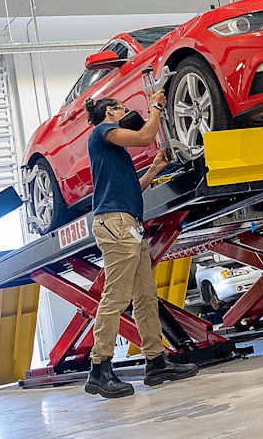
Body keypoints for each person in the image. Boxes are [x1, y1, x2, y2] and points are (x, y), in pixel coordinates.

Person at [83, 94, 198, 398]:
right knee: (116, 296)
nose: (127, 113)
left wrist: (155, 169)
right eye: (123, 109)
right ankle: (99, 368)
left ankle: (156, 362)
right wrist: (156, 106)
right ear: (110, 112)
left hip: (130, 224)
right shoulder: (102, 132)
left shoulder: (113, 153)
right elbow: (146, 137)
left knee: (146, 297)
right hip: (115, 224)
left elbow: (134, 189)